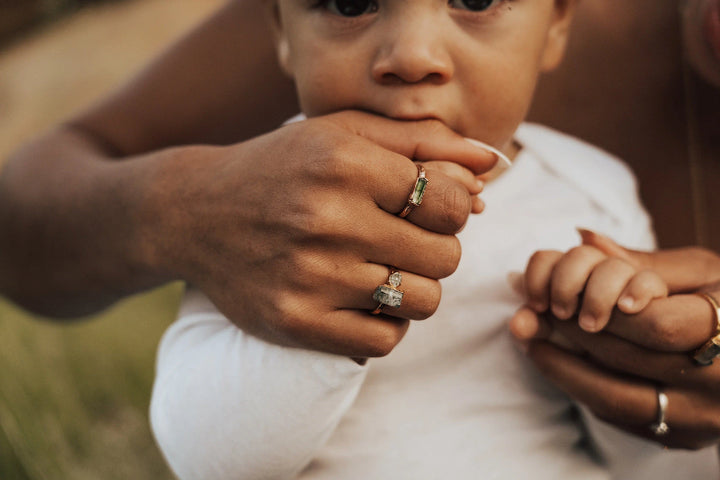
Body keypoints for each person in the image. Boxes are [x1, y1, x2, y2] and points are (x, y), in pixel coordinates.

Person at [148, 1, 717, 478]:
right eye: (350, 3)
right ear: (283, 33)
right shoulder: (271, 196)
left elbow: (649, 463)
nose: (413, 57)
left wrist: (611, 337)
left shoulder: (591, 196)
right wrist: (335, 316)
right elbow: (207, 456)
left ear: (556, 24)